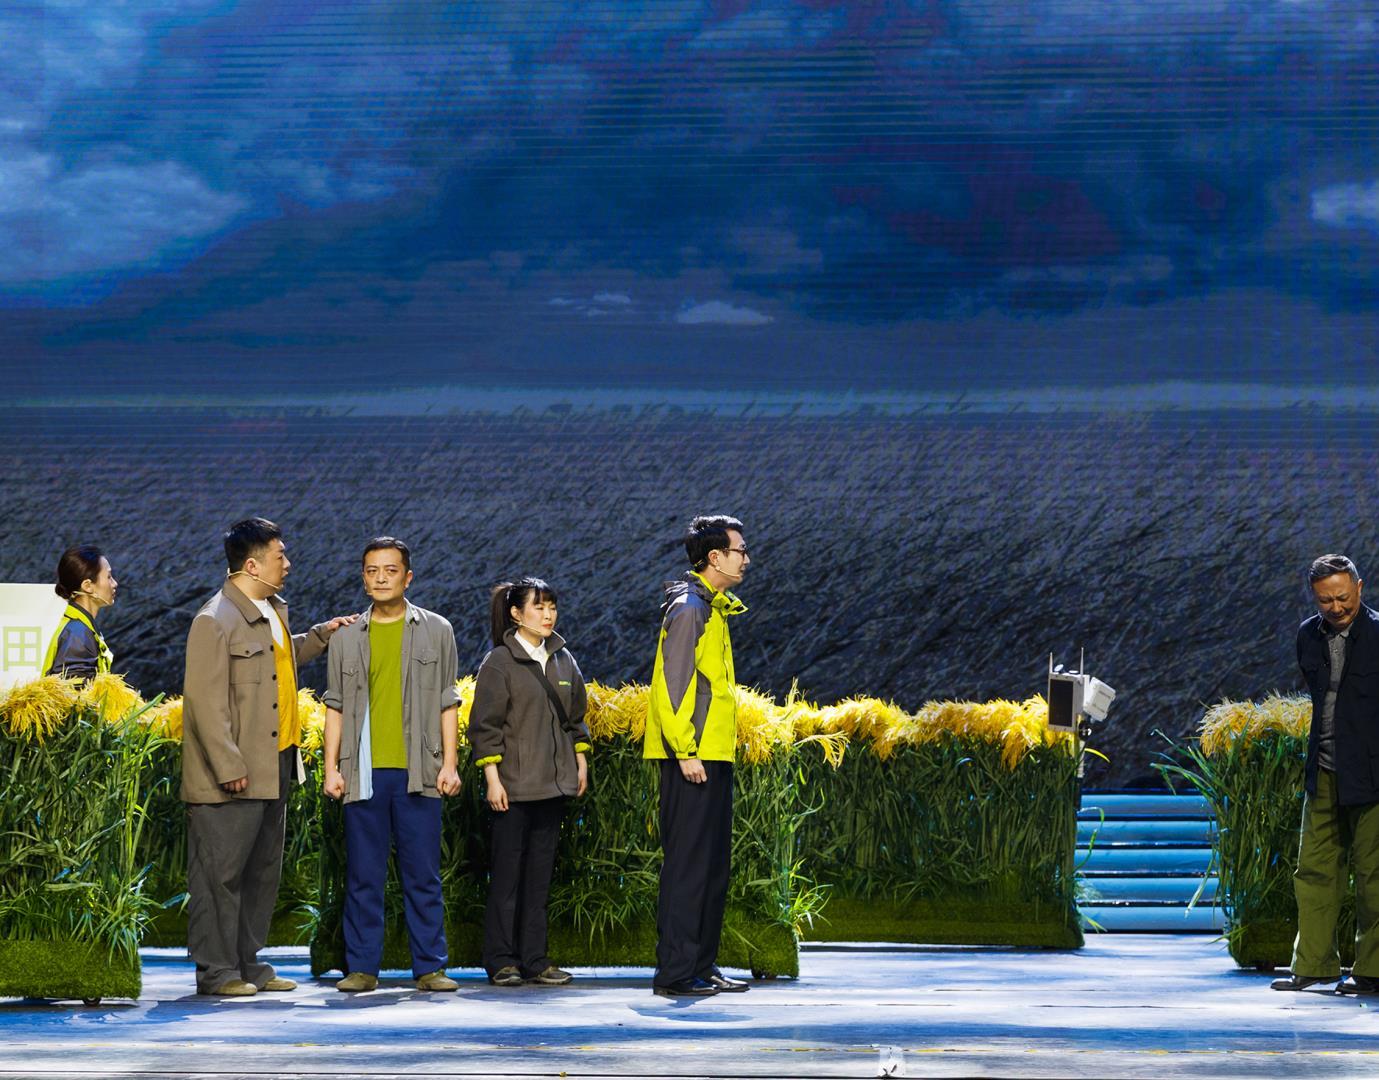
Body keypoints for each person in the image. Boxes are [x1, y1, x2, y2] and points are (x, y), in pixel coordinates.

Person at [181, 518, 356, 997]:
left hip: (274, 762)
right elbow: (204, 703)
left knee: (260, 871)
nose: (288, 564)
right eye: (280, 555)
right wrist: (229, 765)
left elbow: (277, 662)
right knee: (220, 876)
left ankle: (247, 964)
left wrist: (321, 635)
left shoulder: (270, 611)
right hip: (232, 772)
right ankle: (217, 972)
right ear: (252, 565)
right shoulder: (214, 619)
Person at [322, 537, 463, 993]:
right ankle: (362, 968)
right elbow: (334, 706)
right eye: (372, 571)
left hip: (420, 770)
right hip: (362, 772)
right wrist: (331, 768)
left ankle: (430, 968)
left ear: (408, 576)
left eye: (390, 570)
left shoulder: (437, 629)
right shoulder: (345, 637)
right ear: (363, 579)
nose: (381, 578)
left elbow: (448, 701)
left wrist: (450, 764)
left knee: (422, 874)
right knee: (363, 875)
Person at [645, 515, 751, 998]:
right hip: (691, 756)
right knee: (688, 867)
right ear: (714, 557)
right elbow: (672, 687)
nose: (746, 559)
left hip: (713, 754)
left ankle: (702, 965)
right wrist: (685, 750)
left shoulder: (713, 608)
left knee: (711, 868)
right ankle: (675, 972)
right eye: (739, 551)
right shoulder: (690, 609)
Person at [469, 577, 591, 987]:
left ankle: (536, 960)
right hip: (514, 788)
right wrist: (493, 780)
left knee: (539, 879)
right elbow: (485, 728)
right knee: (507, 878)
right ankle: (501, 959)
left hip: (554, 786)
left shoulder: (563, 659)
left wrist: (579, 762)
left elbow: (576, 719)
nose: (547, 614)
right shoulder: (499, 662)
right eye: (538, 607)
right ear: (516, 613)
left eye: (551, 606)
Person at [1274, 554, 1379, 994]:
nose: (1335, 607)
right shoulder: (1308, 635)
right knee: (1313, 870)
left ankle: (1372, 970)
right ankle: (1314, 965)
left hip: (1372, 775)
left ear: (1359, 587)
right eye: (1325, 600)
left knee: (1374, 876)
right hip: (1325, 768)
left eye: (1342, 597)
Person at [44, 545, 117, 682]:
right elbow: (74, 692)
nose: (114, 584)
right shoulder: (78, 633)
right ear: (87, 586)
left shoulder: (81, 628)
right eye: (108, 577)